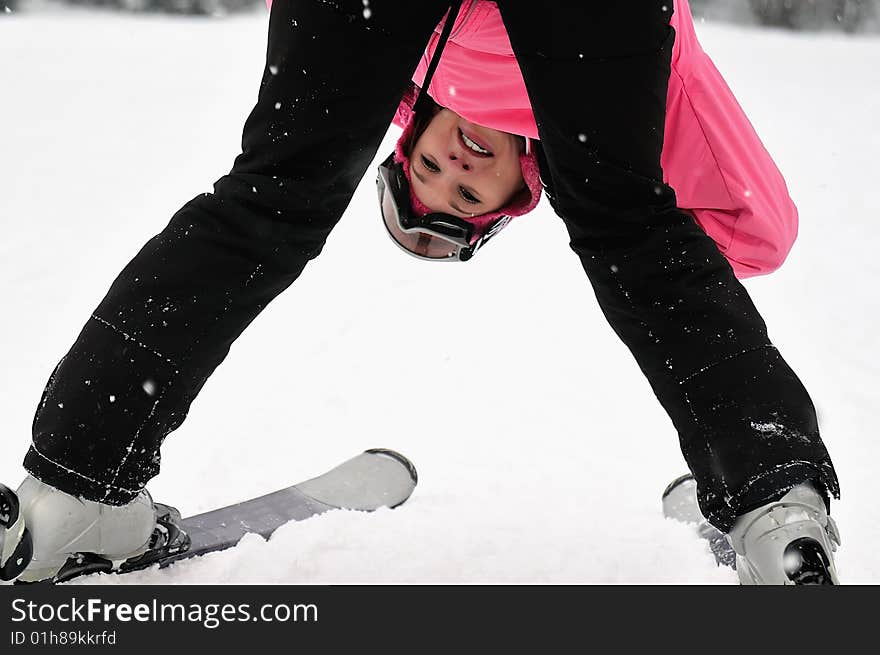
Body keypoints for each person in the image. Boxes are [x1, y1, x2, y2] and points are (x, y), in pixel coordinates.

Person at [0, 0, 840, 585]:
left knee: (272, 197)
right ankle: (777, 511)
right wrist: (599, 159)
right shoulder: (570, 113)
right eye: (457, 184)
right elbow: (746, 227)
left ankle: (79, 483)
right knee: (632, 228)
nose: (458, 165)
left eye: (435, 172)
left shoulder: (417, 69)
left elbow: (753, 233)